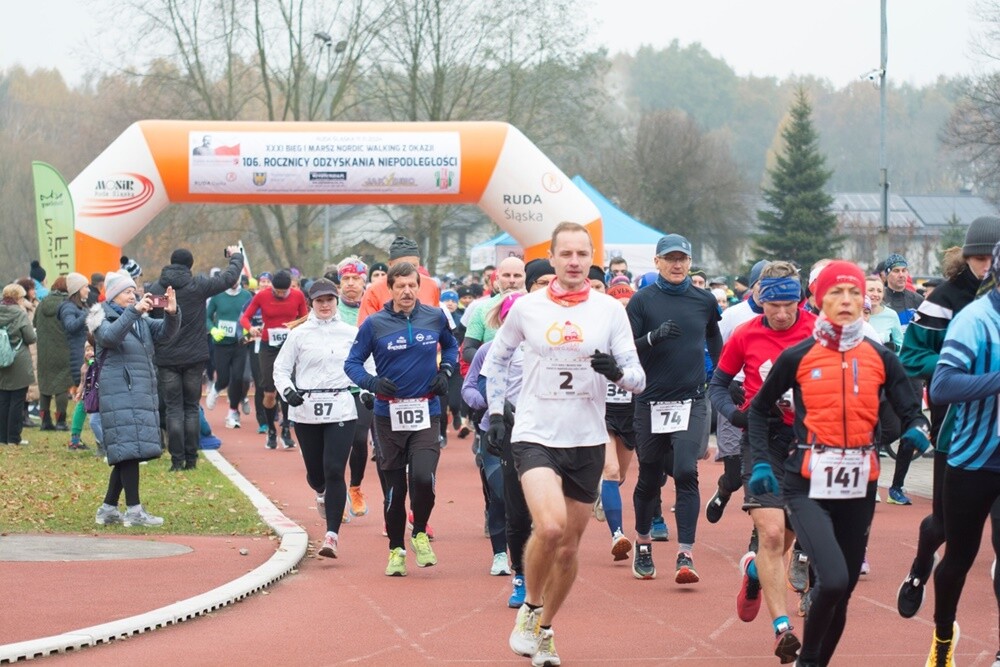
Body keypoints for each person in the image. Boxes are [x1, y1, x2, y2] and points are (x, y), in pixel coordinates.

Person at [746, 260, 929, 667]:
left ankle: (812, 663)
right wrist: (760, 463)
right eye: (835, 293)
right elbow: (758, 411)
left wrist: (916, 428)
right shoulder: (797, 356)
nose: (845, 301)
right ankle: (808, 661)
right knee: (833, 579)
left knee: (841, 590)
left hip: (859, 487)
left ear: (863, 299)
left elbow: (909, 409)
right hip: (807, 484)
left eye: (853, 293)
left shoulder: (880, 357)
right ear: (818, 300)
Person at [486, 222, 645, 666]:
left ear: (591, 259)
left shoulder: (610, 311)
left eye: (582, 254)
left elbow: (637, 378)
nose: (574, 262)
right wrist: (497, 413)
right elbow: (495, 361)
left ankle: (547, 628)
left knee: (571, 546)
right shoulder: (527, 309)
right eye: (566, 254)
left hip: (587, 438)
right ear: (552, 258)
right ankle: (530, 611)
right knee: (551, 528)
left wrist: (615, 372)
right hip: (536, 432)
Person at [707, 261, 816, 663]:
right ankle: (782, 630)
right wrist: (735, 416)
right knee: (770, 535)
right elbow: (717, 384)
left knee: (786, 535)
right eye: (774, 305)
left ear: (800, 299)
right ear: (759, 300)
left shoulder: (818, 332)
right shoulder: (744, 334)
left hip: (806, 440)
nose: (783, 313)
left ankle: (754, 573)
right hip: (762, 437)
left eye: (790, 304)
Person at [896, 215, 1000, 622]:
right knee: (942, 526)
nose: (984, 267)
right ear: (969, 259)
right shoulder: (946, 297)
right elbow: (910, 356)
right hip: (956, 432)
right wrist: (961, 361)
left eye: (987, 259)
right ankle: (921, 569)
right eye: (976, 260)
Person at [344, 261, 459, 576]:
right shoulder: (375, 324)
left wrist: (445, 372)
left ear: (418, 287)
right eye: (401, 286)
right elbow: (352, 363)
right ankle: (396, 549)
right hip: (387, 416)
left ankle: (419, 531)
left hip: (426, 412)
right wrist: (372, 383)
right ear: (390, 288)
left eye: (412, 285)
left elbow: (451, 349)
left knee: (423, 479)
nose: (407, 291)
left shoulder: (434, 317)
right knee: (394, 492)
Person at [628, 233, 721, 583]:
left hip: (692, 399)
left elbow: (714, 334)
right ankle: (643, 543)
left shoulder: (704, 299)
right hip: (650, 400)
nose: (677, 264)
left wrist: (718, 371)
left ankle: (685, 554)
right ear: (657, 262)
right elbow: (626, 348)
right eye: (670, 258)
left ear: (690, 261)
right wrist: (653, 337)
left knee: (685, 470)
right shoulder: (641, 301)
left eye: (682, 258)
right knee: (650, 474)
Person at [923, 241, 1000, 667]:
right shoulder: (974, 320)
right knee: (959, 559)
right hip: (973, 458)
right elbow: (942, 386)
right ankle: (943, 636)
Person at [273, 278, 372, 559]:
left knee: (334, 469)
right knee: (316, 473)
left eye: (329, 300)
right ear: (311, 304)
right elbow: (280, 369)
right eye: (319, 301)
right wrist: (288, 391)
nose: (325, 305)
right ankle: (320, 492)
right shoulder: (299, 334)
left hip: (341, 404)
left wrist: (365, 389)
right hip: (306, 406)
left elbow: (367, 364)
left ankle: (331, 536)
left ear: (336, 301)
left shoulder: (351, 333)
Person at [91, 271, 180, 528]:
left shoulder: (139, 318)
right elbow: (110, 337)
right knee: (129, 451)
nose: (134, 295)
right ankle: (134, 511)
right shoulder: (101, 317)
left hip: (137, 390)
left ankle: (108, 509)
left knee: (128, 449)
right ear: (114, 295)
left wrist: (172, 313)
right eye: (128, 292)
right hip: (118, 390)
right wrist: (134, 312)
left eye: (134, 291)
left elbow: (164, 334)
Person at [150, 246, 244, 471]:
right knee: (191, 407)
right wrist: (236, 256)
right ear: (190, 265)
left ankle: (176, 461)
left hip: (166, 356)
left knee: (173, 409)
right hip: (194, 356)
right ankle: (191, 460)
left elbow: (153, 319)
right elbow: (229, 277)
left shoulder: (157, 289)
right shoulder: (198, 286)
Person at [462, 292, 525, 581]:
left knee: (530, 499)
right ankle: (501, 553)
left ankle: (528, 556)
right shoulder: (488, 350)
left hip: (533, 433)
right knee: (500, 494)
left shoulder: (542, 350)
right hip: (495, 430)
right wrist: (492, 403)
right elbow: (468, 388)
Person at [240, 269, 308, 449]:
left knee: (288, 388)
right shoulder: (262, 296)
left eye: (283, 292)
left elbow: (304, 318)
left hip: (289, 346)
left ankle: (286, 427)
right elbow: (245, 317)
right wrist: (251, 329)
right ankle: (271, 429)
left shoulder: (297, 295)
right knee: (269, 393)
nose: (279, 294)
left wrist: (295, 327)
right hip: (268, 347)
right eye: (276, 291)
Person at [206, 270, 253, 429]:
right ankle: (216, 388)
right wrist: (213, 329)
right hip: (221, 343)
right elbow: (206, 316)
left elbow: (252, 315)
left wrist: (249, 329)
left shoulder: (246, 296)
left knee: (238, 379)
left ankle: (233, 412)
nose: (234, 281)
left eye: (237, 277)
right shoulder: (217, 296)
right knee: (224, 378)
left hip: (240, 344)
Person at [357, 237, 440, 325]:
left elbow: (437, 323)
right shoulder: (374, 289)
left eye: (413, 266)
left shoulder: (431, 285)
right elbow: (365, 328)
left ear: (419, 263)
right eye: (401, 267)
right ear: (390, 264)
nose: (408, 272)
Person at [58, 273, 92, 451]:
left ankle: (75, 438)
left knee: (84, 399)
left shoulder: (80, 307)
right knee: (84, 398)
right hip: (79, 358)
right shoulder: (67, 308)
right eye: (85, 286)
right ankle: (75, 438)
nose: (88, 289)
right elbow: (71, 326)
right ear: (77, 290)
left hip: (84, 355)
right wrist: (87, 315)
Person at [33, 275, 71, 431]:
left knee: (45, 385)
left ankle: (45, 421)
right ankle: (61, 421)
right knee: (61, 385)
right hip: (63, 349)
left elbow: (35, 323)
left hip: (43, 351)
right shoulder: (67, 304)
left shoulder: (42, 304)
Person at [0, 284, 36, 445]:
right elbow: (30, 337)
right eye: (22, 298)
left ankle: (2, 437)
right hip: (18, 358)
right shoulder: (19, 314)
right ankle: (13, 437)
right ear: (17, 298)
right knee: (17, 400)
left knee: (3, 399)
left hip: (2, 358)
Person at [882, 253, 923, 328]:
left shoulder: (918, 300)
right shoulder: (880, 299)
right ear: (887, 274)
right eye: (896, 271)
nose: (901, 275)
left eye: (904, 270)